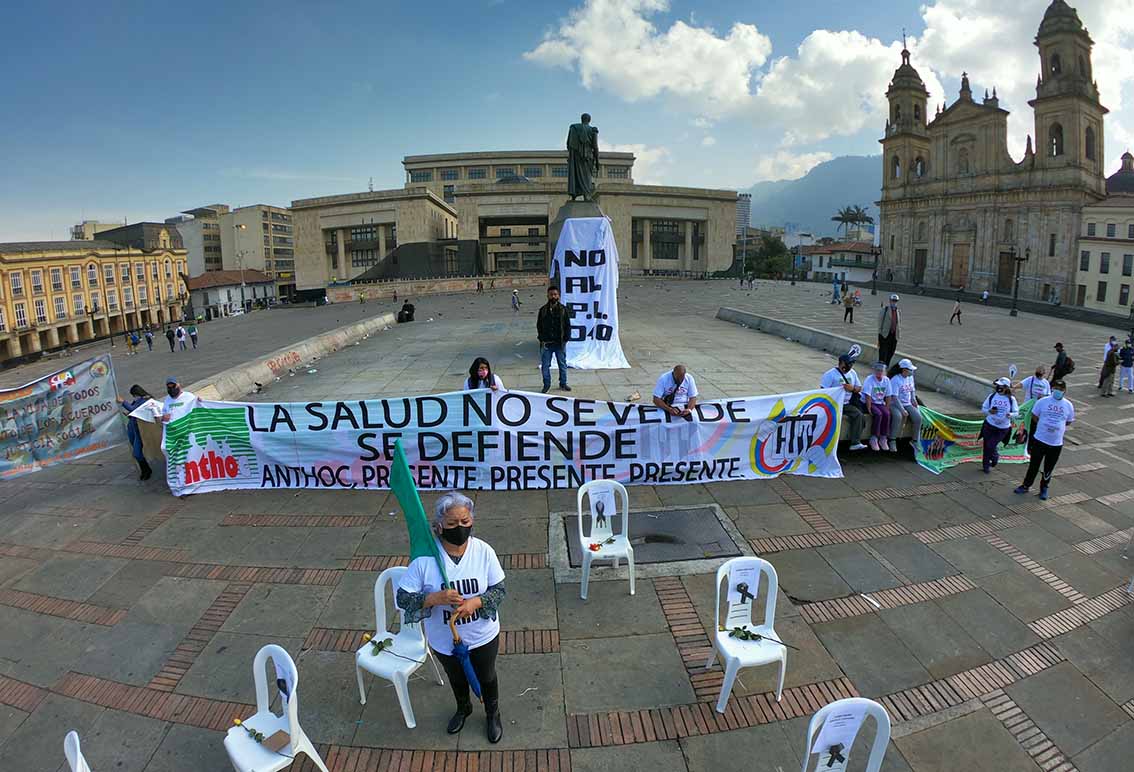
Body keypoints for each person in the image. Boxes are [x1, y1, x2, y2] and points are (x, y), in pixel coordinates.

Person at [397, 492, 506, 743]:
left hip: (482, 635)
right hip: (444, 639)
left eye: (465, 522)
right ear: (439, 526)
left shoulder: (483, 551)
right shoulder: (426, 559)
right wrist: (434, 598)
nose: (460, 529)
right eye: (452, 524)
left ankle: (492, 712)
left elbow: (499, 590)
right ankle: (463, 707)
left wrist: (476, 602)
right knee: (456, 677)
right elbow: (402, 599)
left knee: (487, 676)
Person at [1016, 379, 1074, 501]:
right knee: (1034, 465)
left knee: (1049, 468)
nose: (1058, 391)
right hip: (1040, 440)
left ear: (1064, 391)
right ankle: (1026, 485)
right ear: (1052, 389)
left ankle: (1044, 488)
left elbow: (1068, 421)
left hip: (1056, 443)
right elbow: (1035, 416)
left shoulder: (1068, 405)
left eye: (1061, 389)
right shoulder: (1043, 402)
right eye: (1056, 388)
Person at [820, 354, 867, 451]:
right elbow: (823, 391)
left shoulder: (852, 373)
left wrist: (852, 388)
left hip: (847, 403)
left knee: (859, 415)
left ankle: (855, 442)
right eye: (848, 364)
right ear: (841, 363)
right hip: (834, 403)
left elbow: (859, 388)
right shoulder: (830, 374)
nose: (849, 367)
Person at [980, 377, 1019, 473]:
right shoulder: (992, 396)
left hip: (1002, 428)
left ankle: (994, 457)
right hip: (989, 425)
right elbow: (984, 408)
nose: (998, 387)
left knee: (991, 445)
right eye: (997, 385)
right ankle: (985, 466)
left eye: (1001, 386)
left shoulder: (1011, 399)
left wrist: (1010, 415)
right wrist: (989, 411)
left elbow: (1016, 412)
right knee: (986, 446)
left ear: (1006, 387)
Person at [537, 285, 571, 394]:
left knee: (562, 364)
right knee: (545, 365)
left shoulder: (563, 310)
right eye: (551, 294)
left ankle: (563, 383)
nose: (553, 296)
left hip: (559, 343)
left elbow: (567, 325)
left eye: (555, 294)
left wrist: (566, 338)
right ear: (547, 295)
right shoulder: (543, 310)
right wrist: (541, 338)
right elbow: (539, 325)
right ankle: (546, 384)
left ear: (559, 296)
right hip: (547, 343)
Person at [120, 385, 154, 480]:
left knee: (137, 452)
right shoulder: (138, 400)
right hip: (133, 427)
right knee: (135, 449)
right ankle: (145, 470)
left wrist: (123, 402)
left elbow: (133, 409)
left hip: (139, 430)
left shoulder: (145, 401)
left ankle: (146, 470)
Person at [888, 358, 922, 452]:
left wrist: (913, 399)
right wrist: (902, 410)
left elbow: (912, 389)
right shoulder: (896, 379)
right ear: (904, 370)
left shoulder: (910, 377)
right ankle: (892, 440)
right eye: (910, 370)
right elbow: (894, 397)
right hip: (894, 404)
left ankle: (914, 440)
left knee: (918, 418)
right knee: (898, 416)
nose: (911, 372)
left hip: (907, 403)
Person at [862, 361, 892, 451]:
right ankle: (874, 437)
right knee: (878, 414)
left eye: (881, 371)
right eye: (878, 371)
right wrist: (868, 407)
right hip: (870, 402)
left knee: (886, 414)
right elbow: (868, 395)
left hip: (880, 402)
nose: (879, 373)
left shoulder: (886, 380)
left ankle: (883, 437)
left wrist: (887, 407)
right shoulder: (869, 379)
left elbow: (888, 395)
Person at [877, 294, 901, 367]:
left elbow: (899, 323)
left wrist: (898, 335)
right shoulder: (885, 310)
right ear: (890, 301)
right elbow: (880, 322)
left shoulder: (898, 311)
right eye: (893, 301)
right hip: (885, 334)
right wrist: (880, 334)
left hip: (894, 335)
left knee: (891, 351)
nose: (894, 302)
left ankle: (886, 365)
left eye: (895, 301)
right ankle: (880, 366)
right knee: (883, 352)